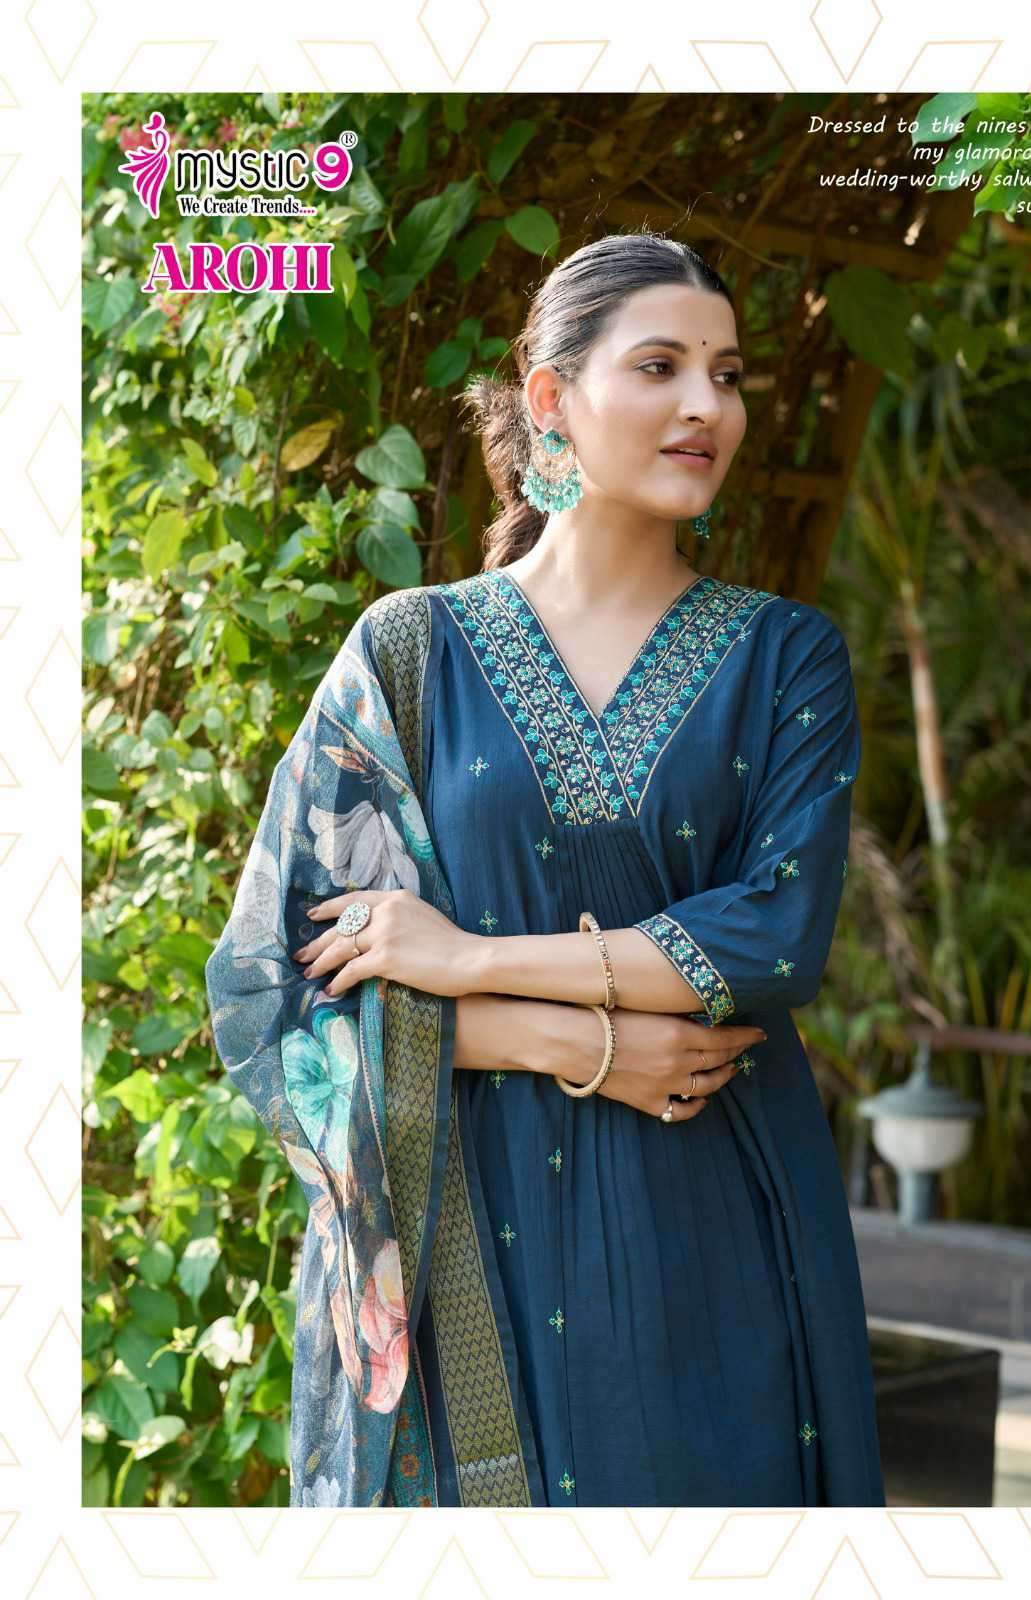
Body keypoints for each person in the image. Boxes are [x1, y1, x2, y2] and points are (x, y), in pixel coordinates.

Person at [205, 230, 885, 1511]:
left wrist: (467, 961)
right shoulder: (408, 655)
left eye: (727, 374)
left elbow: (773, 934)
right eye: (661, 366)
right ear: (549, 398)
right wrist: (563, 1041)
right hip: (468, 1227)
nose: (706, 405)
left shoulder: (784, 656)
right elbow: (274, 993)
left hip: (713, 1229)